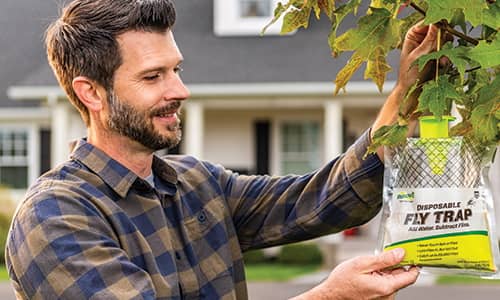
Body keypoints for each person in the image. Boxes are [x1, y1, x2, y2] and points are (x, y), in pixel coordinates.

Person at [5, 0, 440, 299]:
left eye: (176, 69)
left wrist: (405, 97)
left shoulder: (197, 183)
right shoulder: (54, 218)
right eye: (153, 77)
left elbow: (323, 199)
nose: (181, 90)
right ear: (92, 94)